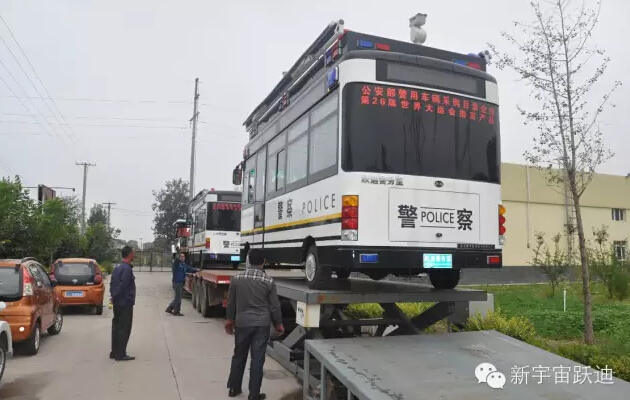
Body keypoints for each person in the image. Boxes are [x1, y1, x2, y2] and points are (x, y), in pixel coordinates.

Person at [225, 249, 284, 400]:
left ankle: (234, 388)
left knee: (239, 355)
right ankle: (254, 394)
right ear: (263, 261)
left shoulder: (236, 279)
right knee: (257, 359)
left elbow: (231, 303)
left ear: (249, 261)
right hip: (261, 325)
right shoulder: (268, 281)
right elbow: (274, 306)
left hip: (242, 323)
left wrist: (229, 320)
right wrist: (279, 323)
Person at [109, 245, 137, 361]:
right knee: (124, 328)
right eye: (133, 253)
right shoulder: (127, 269)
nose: (135, 255)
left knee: (116, 326)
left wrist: (113, 297)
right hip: (125, 302)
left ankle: (114, 351)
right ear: (129, 254)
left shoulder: (117, 267)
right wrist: (116, 296)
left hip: (117, 302)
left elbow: (112, 284)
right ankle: (121, 354)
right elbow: (123, 286)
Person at [166, 252, 199, 316]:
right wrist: (177, 253)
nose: (183, 258)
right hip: (176, 283)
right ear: (179, 257)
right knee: (178, 298)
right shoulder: (176, 263)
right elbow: (175, 258)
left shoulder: (183, 265)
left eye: (183, 257)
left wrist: (197, 270)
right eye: (181, 256)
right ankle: (176, 311)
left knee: (178, 297)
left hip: (181, 283)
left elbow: (190, 269)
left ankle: (170, 308)